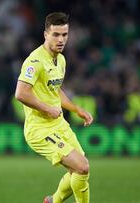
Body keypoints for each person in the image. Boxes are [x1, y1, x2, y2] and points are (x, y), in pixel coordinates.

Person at [15, 12, 93, 203]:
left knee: (80, 169)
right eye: (56, 34)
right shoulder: (35, 61)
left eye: (64, 35)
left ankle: (52, 201)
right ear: (45, 35)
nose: (61, 39)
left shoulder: (61, 60)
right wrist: (47, 109)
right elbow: (21, 93)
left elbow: (55, 91)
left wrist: (76, 109)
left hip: (59, 124)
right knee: (82, 167)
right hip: (39, 130)